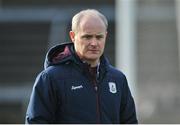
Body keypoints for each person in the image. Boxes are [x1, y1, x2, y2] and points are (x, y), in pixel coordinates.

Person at [25, 9, 138, 124]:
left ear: (106, 36)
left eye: (99, 37)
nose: (94, 43)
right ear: (73, 36)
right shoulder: (50, 78)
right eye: (87, 37)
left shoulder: (118, 79)